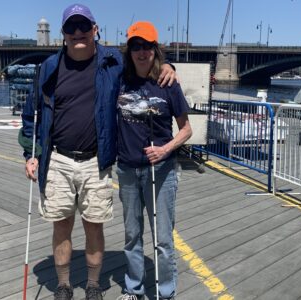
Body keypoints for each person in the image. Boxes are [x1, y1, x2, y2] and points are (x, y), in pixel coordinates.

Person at [18, 4, 177, 300]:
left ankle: (93, 285)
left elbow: (144, 67)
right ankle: (63, 286)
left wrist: (169, 67)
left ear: (95, 29)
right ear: (63, 33)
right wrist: (30, 154)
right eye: (70, 27)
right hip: (58, 160)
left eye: (83, 26)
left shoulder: (113, 62)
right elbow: (32, 116)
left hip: (96, 161)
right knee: (61, 225)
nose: (77, 33)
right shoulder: (48, 69)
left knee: (94, 226)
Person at [116, 21, 192, 300]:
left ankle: (166, 292)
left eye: (147, 46)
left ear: (155, 49)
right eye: (136, 46)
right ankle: (134, 289)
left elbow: (186, 130)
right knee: (132, 235)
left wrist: (165, 150)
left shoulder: (168, 83)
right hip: (126, 169)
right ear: (129, 50)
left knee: (162, 239)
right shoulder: (120, 79)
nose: (142, 52)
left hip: (160, 171)